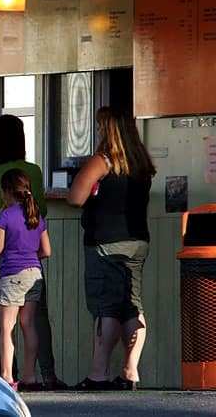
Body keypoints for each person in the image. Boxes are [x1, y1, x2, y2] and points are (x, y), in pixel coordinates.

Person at [0, 114, 64, 389]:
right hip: (29, 257)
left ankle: (3, 376)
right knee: (36, 318)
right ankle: (44, 374)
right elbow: (41, 212)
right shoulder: (32, 171)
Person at [68, 106, 155, 391]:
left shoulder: (104, 161)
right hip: (137, 241)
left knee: (106, 306)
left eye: (101, 126)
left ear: (110, 130)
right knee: (132, 304)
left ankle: (99, 373)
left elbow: (76, 197)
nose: (98, 131)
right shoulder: (141, 163)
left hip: (104, 241)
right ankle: (130, 370)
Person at [0, 168, 51, 391]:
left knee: (7, 327)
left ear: (7, 191)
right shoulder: (36, 215)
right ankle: (29, 376)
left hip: (12, 275)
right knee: (29, 325)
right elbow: (46, 250)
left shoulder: (5, 216)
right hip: (34, 273)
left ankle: (7, 376)